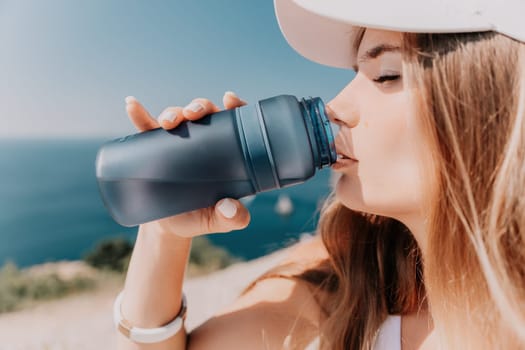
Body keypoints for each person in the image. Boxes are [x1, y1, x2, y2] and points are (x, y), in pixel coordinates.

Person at [116, 0, 525, 349]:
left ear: (497, 108)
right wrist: (163, 234)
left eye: (386, 74)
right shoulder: (349, 279)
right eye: (355, 74)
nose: (334, 106)